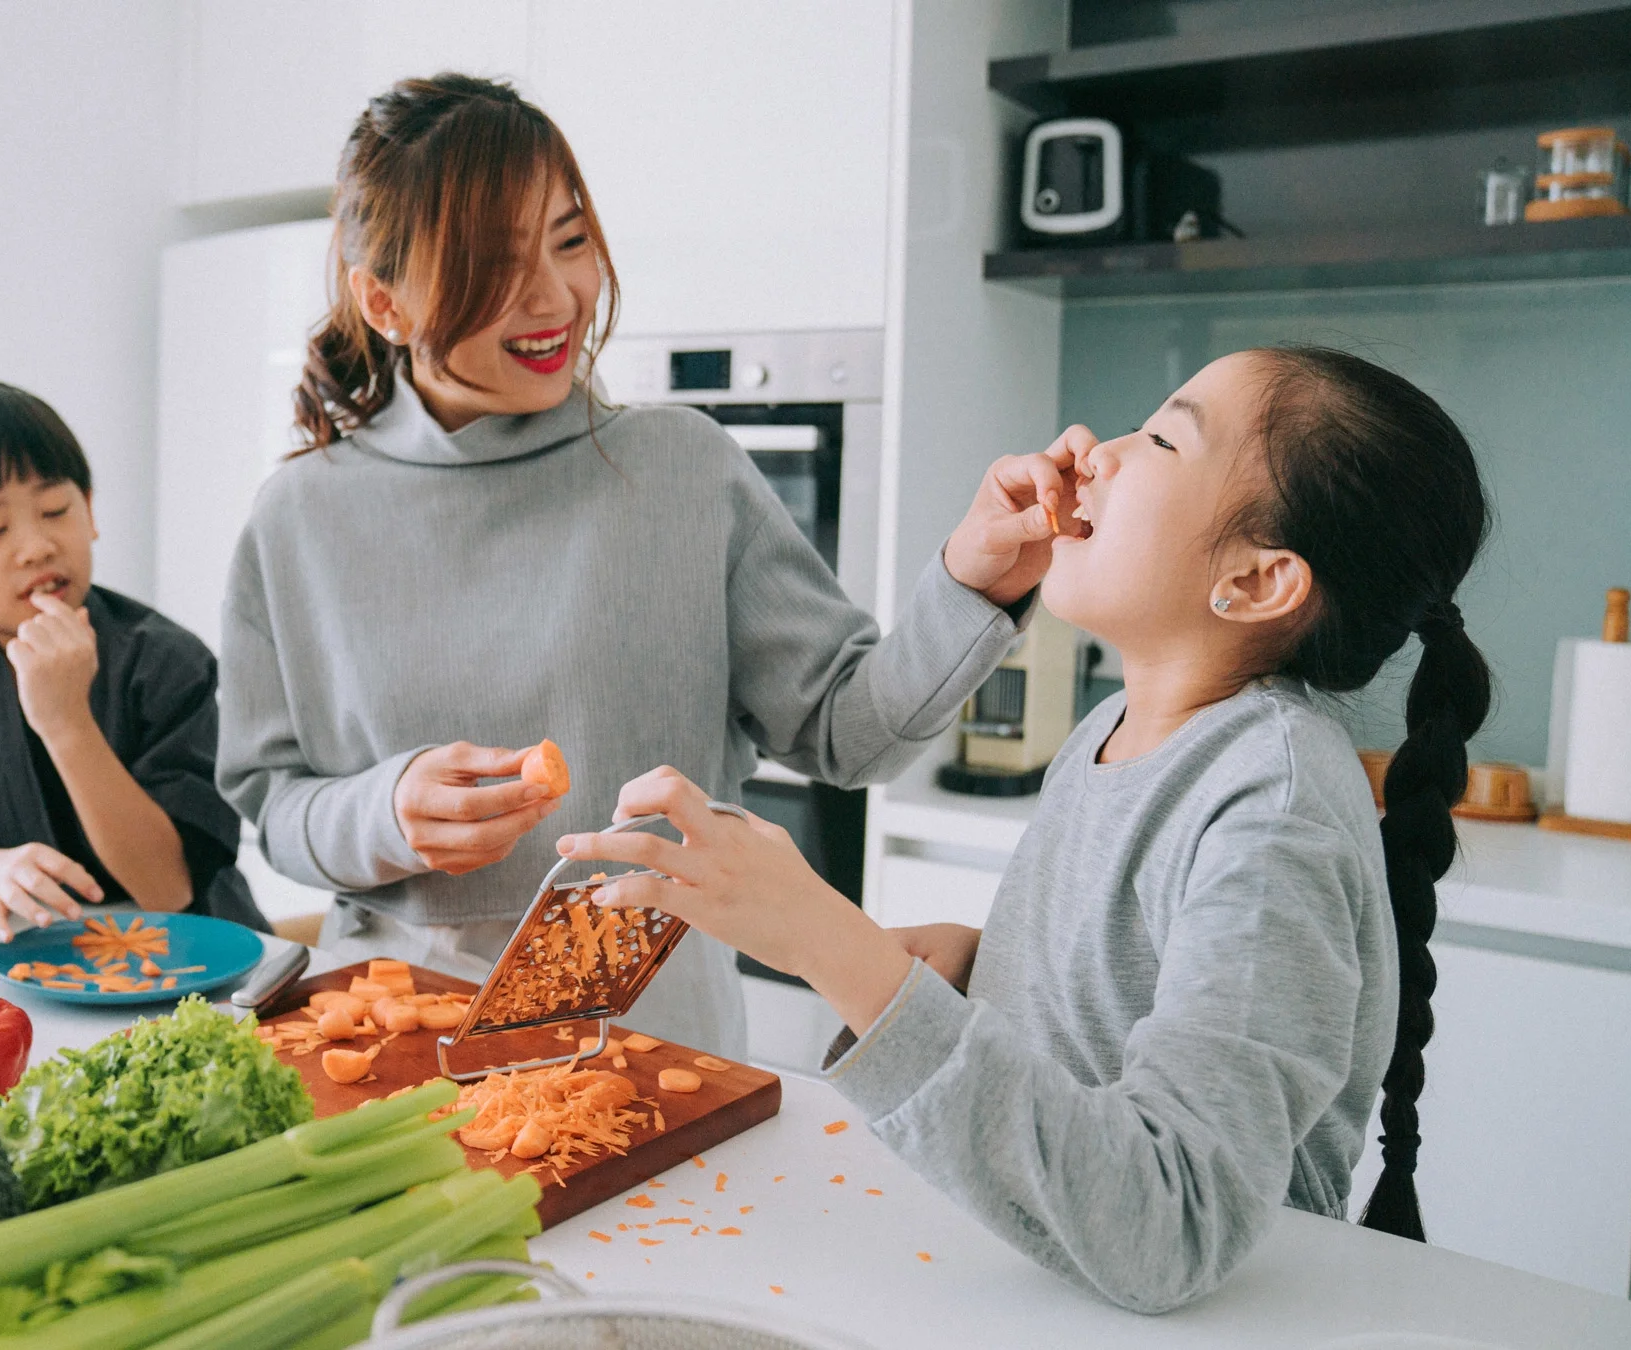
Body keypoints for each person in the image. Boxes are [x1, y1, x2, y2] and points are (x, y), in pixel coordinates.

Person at [560, 347, 1489, 1311]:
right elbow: (1122, 1006)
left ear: (1257, 584)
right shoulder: (1115, 734)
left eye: (1166, 438)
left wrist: (836, 949)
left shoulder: (1272, 810)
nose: (1094, 449)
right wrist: (992, 966)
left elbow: (1171, 1224)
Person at [215, 74, 1029, 1057]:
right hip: (395, 1031)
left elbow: (851, 735)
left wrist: (975, 579)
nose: (556, 297)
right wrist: (382, 813)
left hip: (657, 1046)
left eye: (569, 239)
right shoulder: (298, 516)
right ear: (383, 301)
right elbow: (276, 808)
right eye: (491, 265)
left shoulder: (680, 467)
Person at [0, 380, 265, 941]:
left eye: (55, 510)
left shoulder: (166, 659)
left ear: (90, 510)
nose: (37, 546)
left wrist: (66, 722)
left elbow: (168, 889)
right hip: (23, 956)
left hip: (194, 963)